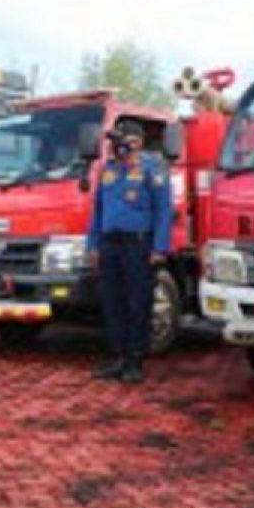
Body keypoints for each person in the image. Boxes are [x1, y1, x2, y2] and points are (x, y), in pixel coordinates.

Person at [86, 120, 173, 385]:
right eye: (113, 141)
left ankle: (135, 360)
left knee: (138, 302)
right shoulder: (108, 170)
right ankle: (119, 357)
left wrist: (159, 247)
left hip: (138, 245)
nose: (115, 145)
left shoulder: (153, 169)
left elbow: (163, 211)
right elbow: (98, 211)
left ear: (137, 142)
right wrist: (92, 245)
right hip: (110, 245)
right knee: (113, 302)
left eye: (121, 140)